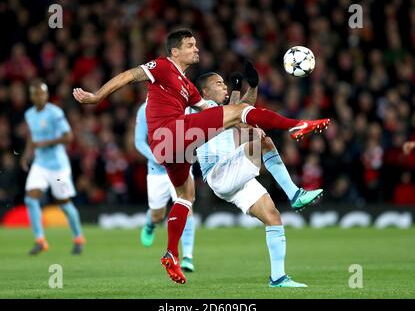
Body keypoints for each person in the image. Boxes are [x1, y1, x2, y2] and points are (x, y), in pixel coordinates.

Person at [73, 29, 330, 284]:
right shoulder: (163, 66)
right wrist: (97, 96)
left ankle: (172, 253)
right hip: (170, 133)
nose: (196, 48)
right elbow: (129, 75)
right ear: (175, 51)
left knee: (186, 197)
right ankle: (296, 125)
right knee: (254, 130)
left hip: (173, 150)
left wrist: (247, 90)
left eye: (196, 44)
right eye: (190, 45)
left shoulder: (188, 88)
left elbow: (233, 113)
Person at [191, 69, 322, 287]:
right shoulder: (199, 109)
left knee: (273, 217)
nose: (223, 86)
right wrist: (241, 92)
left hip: (232, 174)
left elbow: (238, 111)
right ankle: (294, 193)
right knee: (263, 140)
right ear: (204, 91)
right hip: (219, 171)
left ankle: (278, 278)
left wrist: (252, 86)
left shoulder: (217, 110)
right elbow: (240, 114)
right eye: (218, 83)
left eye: (224, 83)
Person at [21, 80, 85, 255]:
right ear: (31, 96)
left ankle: (78, 237)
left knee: (63, 203)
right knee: (30, 199)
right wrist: (27, 153)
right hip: (40, 164)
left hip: (58, 166)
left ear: (46, 95)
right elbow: (32, 138)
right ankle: (40, 240)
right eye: (35, 93)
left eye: (41, 93)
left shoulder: (55, 113)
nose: (38, 96)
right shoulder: (29, 114)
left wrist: (47, 142)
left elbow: (68, 137)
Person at [135, 101, 196, 272]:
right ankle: (150, 225)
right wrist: (156, 156)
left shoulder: (181, 105)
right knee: (157, 215)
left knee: (186, 206)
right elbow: (139, 142)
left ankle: (188, 257)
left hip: (180, 165)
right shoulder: (144, 109)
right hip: (157, 171)